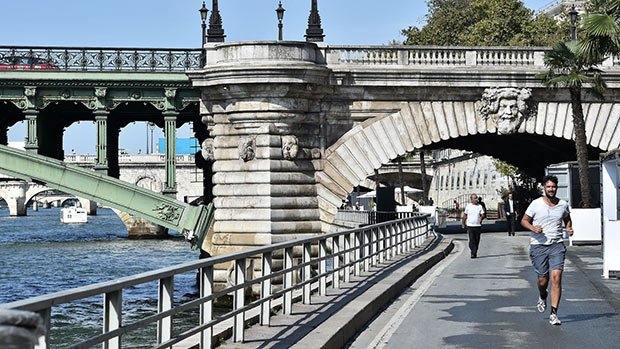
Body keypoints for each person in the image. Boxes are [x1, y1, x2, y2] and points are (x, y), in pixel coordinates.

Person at [521, 175, 573, 326]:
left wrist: (569, 228)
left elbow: (567, 218)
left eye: (553, 187)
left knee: (556, 277)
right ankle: (542, 295)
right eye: (548, 187)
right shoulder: (536, 204)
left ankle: (554, 313)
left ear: (557, 188)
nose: (551, 189)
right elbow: (524, 220)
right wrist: (533, 228)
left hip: (557, 245)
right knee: (543, 280)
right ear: (544, 187)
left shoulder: (563, 204)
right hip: (539, 245)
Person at [462, 193, 485, 258]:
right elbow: (464, 216)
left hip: (477, 226)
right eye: (475, 198)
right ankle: (473, 252)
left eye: (476, 198)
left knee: (477, 240)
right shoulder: (468, 206)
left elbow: (483, 214)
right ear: (471, 199)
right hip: (470, 226)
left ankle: (474, 251)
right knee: (471, 240)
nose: (476, 199)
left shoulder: (479, 206)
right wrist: (463, 224)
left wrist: (481, 217)